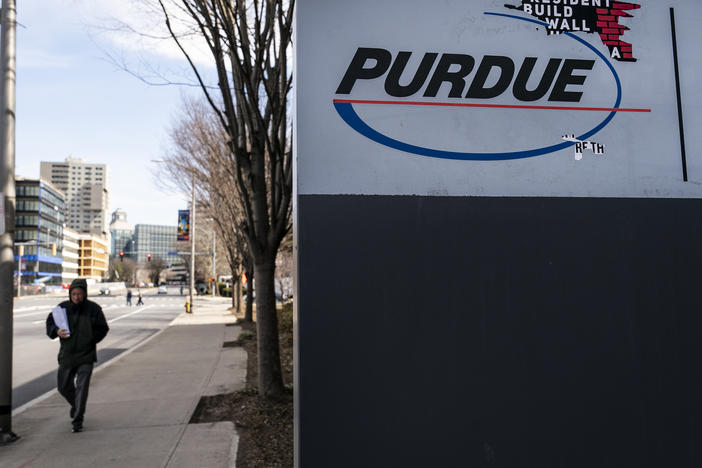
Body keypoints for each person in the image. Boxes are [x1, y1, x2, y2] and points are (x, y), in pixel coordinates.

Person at [46, 278, 109, 433]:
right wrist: (56, 331)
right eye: (73, 294)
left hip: (86, 355)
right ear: (70, 294)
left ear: (85, 294)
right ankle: (76, 405)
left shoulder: (93, 309)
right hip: (67, 354)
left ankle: (77, 420)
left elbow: (103, 328)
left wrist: (90, 339)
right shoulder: (62, 308)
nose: (76, 297)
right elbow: (50, 323)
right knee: (63, 387)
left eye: (79, 294)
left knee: (82, 388)